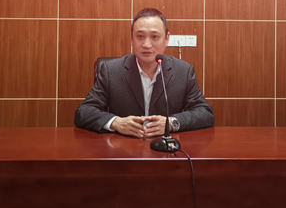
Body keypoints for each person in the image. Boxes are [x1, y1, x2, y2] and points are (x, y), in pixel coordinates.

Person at [75, 8, 215, 138]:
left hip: (165, 150)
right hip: (123, 148)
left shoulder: (183, 71)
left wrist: (172, 123)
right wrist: (116, 123)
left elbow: (205, 113)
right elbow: (84, 112)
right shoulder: (111, 71)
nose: (147, 45)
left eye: (155, 37)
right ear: (132, 39)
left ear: (166, 39)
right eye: (140, 36)